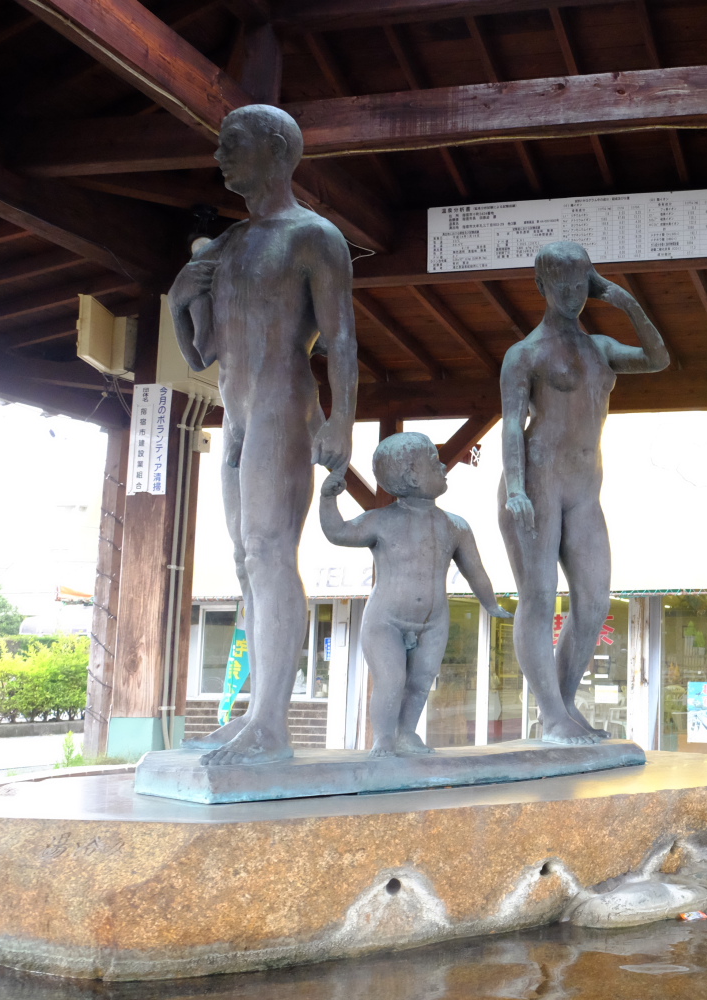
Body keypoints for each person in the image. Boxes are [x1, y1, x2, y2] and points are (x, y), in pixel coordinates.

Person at [172, 105, 357, 766]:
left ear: (277, 149)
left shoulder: (314, 237)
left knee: (270, 549)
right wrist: (179, 298)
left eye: (233, 143)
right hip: (237, 412)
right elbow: (201, 353)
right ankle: (255, 714)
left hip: (283, 402)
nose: (219, 156)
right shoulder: (227, 244)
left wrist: (342, 419)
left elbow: (340, 338)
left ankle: (271, 721)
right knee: (244, 558)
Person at [498, 241, 670, 745]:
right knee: (538, 596)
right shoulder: (525, 354)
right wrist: (515, 487)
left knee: (594, 601)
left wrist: (624, 300)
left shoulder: (601, 348)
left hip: (585, 489)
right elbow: (511, 424)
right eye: (562, 284)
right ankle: (552, 715)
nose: (572, 294)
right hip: (537, 480)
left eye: (580, 284)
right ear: (542, 285)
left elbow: (657, 359)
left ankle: (565, 704)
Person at [319, 433, 511, 757]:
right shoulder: (381, 520)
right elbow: (338, 532)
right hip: (386, 620)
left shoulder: (455, 526)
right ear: (412, 476)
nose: (443, 467)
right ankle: (383, 738)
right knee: (391, 680)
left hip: (434, 621)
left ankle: (406, 733)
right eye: (434, 463)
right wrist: (328, 499)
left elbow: (475, 570)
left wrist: (490, 602)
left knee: (421, 681)